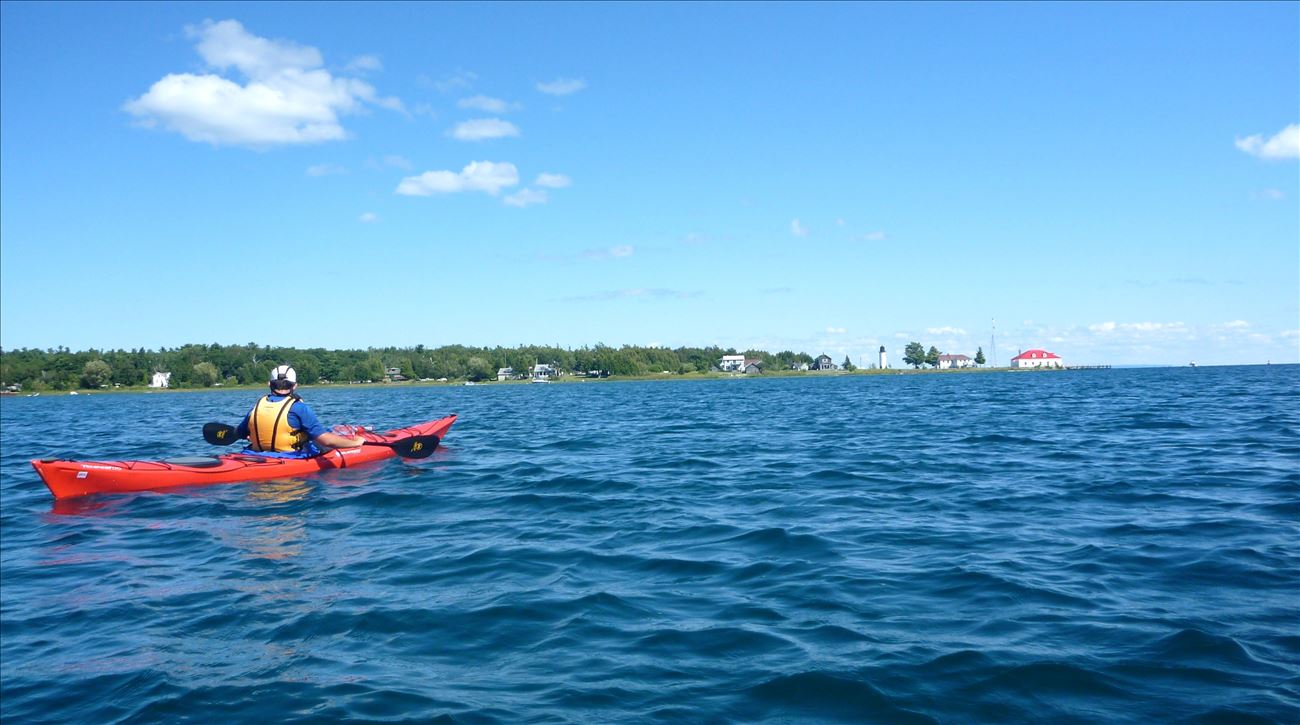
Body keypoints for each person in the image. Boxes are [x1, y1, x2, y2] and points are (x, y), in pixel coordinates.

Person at [233, 365, 365, 458]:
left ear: (270, 384)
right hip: (290, 458)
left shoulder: (256, 407)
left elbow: (240, 433)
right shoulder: (298, 407)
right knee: (320, 441)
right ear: (294, 385)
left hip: (255, 456)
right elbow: (326, 441)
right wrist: (355, 443)